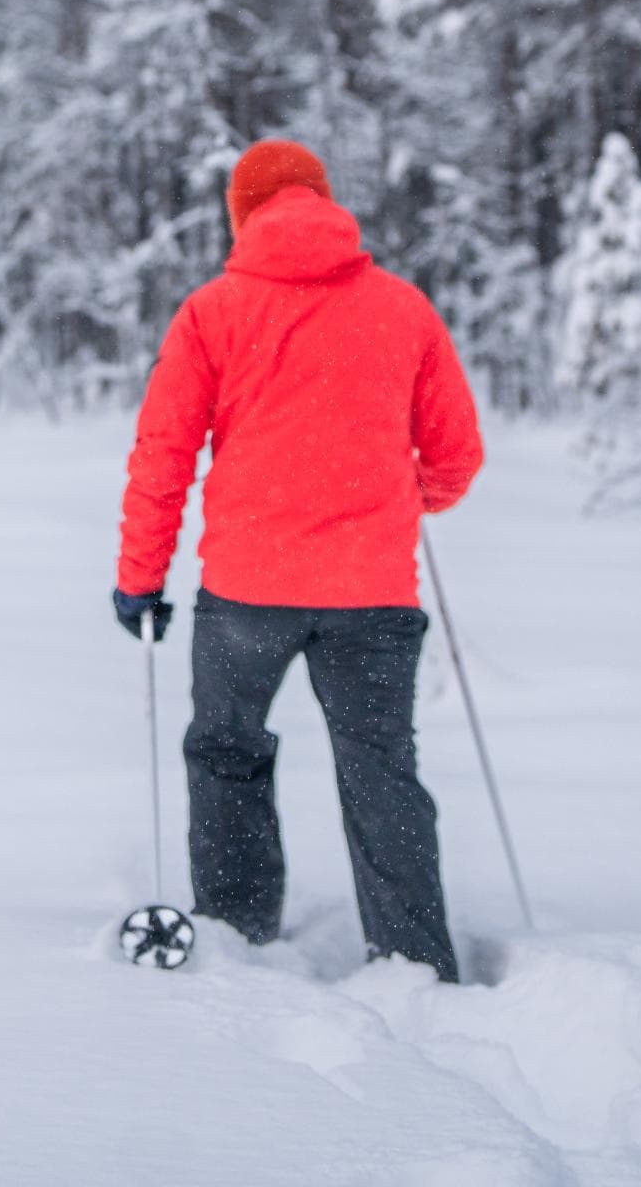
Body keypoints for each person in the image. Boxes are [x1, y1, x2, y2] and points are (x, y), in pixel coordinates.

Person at [115, 138, 486, 979]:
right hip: (374, 593)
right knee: (381, 770)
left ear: (242, 215)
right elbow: (457, 457)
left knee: (227, 749)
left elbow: (162, 455)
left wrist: (140, 579)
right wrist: (389, 506)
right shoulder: (402, 309)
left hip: (247, 590)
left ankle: (238, 933)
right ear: (324, 200)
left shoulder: (212, 312)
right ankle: (415, 959)